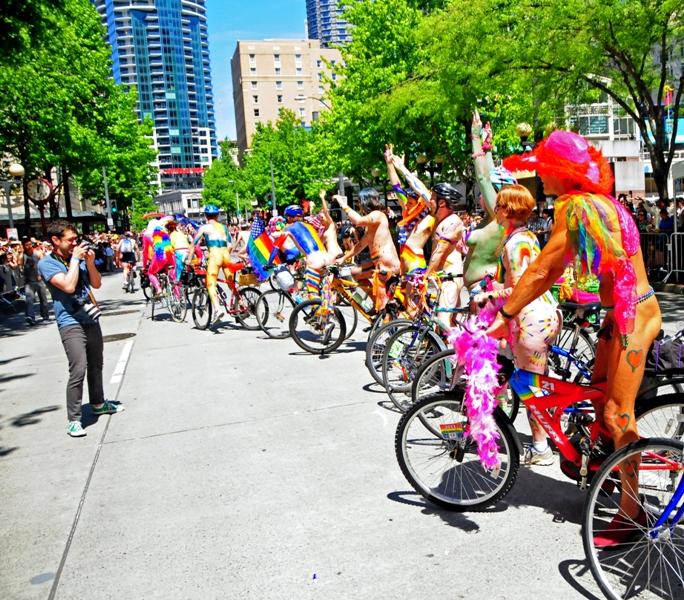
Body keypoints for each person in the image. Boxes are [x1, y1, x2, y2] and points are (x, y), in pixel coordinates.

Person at [490, 130, 661, 547]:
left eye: (544, 168)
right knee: (598, 398)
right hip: (621, 312)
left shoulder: (576, 205)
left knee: (617, 415)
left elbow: (544, 269)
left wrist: (504, 314)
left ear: (563, 172)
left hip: (634, 314)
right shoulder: (598, 203)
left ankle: (632, 512)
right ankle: (603, 468)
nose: (539, 176)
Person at [472, 185, 561, 465]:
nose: (495, 210)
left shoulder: (515, 243)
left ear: (508, 210)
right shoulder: (524, 236)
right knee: (536, 378)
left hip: (529, 320)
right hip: (538, 317)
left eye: (498, 206)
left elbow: (521, 288)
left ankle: (541, 448)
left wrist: (487, 296)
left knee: (530, 387)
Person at [37, 220, 124, 437]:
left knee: (96, 363)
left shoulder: (78, 259)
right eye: (70, 240)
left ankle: (98, 403)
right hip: (69, 320)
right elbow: (67, 285)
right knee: (78, 368)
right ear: (55, 240)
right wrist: (75, 260)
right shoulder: (48, 263)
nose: (75, 243)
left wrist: (90, 263)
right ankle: (74, 419)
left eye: (76, 239)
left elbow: (97, 284)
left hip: (90, 318)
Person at [334, 188, 400, 311]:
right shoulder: (371, 225)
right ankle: (376, 304)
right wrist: (343, 258)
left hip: (386, 265)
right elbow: (360, 246)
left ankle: (384, 313)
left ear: (366, 201)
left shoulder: (378, 215)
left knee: (385, 306)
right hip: (379, 264)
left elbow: (358, 221)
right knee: (355, 273)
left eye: (360, 201)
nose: (359, 204)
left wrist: (342, 203)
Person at [186, 205, 234, 324]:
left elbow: (193, 245)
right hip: (225, 254)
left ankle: (217, 310)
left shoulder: (204, 228)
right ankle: (241, 304)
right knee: (231, 282)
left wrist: (188, 260)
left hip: (215, 255)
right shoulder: (224, 227)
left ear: (205, 216)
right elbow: (230, 245)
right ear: (217, 215)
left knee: (210, 284)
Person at [21, 237, 49, 325]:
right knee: (29, 299)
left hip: (39, 280)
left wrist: (41, 274)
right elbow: (18, 264)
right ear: (24, 246)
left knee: (43, 299)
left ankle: (45, 315)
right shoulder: (22, 256)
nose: (29, 246)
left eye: (30, 244)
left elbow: (44, 264)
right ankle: (30, 316)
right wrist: (20, 252)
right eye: (26, 245)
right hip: (29, 281)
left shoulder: (38, 253)